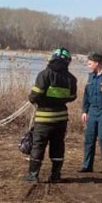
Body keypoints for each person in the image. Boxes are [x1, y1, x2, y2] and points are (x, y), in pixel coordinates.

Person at [24, 47, 77, 183]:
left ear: (52, 58)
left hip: (43, 119)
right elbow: (72, 97)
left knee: (38, 146)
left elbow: (35, 95)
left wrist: (33, 99)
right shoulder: (71, 79)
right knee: (58, 146)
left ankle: (33, 175)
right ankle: (56, 175)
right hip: (61, 120)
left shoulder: (44, 75)